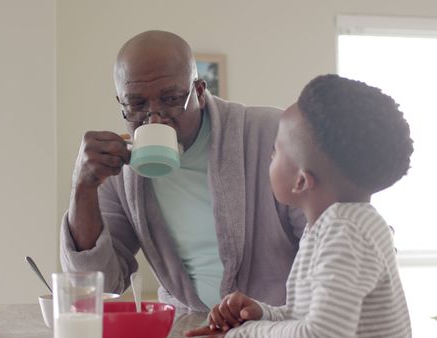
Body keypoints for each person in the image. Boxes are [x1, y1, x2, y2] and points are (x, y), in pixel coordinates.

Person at [59, 30, 306, 312]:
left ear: (199, 92)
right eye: (137, 104)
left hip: (280, 325)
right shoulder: (118, 172)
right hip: (188, 325)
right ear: (121, 103)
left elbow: (321, 242)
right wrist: (82, 185)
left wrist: (279, 319)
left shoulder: (271, 134)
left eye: (171, 98)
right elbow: (96, 284)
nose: (154, 117)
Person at [186, 74, 413, 337]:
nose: (269, 158)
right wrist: (261, 313)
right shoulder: (330, 225)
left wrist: (240, 335)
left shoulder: (345, 232)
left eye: (275, 151)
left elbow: (321, 334)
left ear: (301, 181)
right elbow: (305, 317)